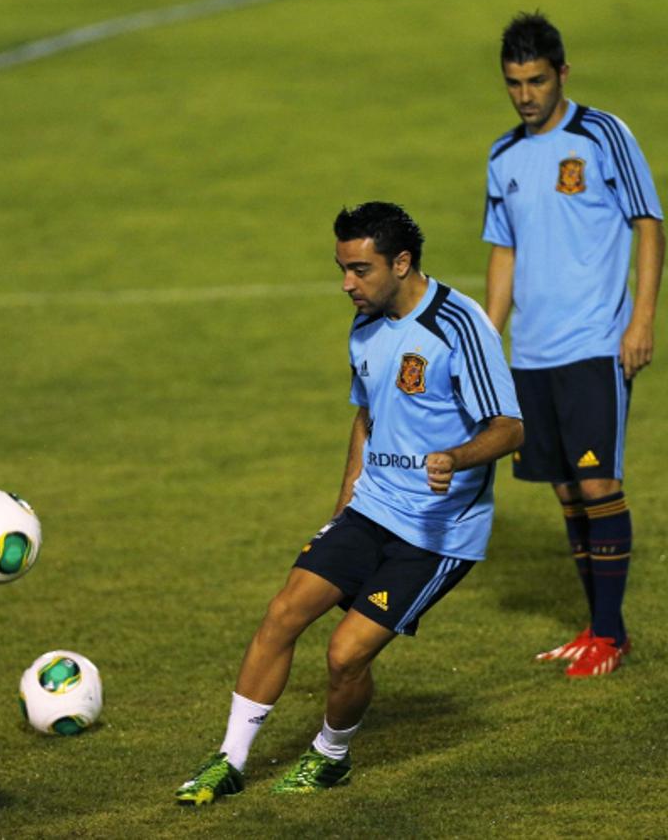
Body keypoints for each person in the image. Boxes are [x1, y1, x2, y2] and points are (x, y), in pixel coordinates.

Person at [174, 202, 523, 804]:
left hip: (436, 532)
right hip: (371, 509)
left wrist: (457, 458)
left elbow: (511, 428)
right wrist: (343, 509)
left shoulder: (461, 326)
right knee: (283, 613)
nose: (346, 284)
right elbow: (366, 418)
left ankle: (331, 756)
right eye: (342, 268)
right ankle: (228, 759)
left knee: (345, 655)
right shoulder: (364, 325)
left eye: (360, 270)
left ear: (402, 262)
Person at [482, 12, 665, 677]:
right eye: (513, 83)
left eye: (536, 80)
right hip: (532, 352)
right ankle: (595, 627)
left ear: (562, 72)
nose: (525, 94)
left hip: (595, 342)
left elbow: (649, 225)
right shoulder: (504, 156)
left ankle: (611, 635)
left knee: (597, 482)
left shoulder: (602, 135)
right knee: (565, 492)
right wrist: (487, 342)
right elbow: (503, 252)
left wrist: (640, 318)